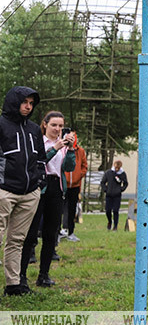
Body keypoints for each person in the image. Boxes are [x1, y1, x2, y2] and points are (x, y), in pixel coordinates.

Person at [21, 110, 76, 288]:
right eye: (54, 125)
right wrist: (56, 148)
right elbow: (40, 161)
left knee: (51, 234)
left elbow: (69, 167)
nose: (57, 129)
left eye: (60, 126)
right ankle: (20, 276)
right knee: (30, 234)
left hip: (56, 189)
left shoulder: (64, 144)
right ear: (44, 124)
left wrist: (70, 150)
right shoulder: (38, 142)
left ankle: (43, 275)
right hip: (39, 187)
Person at [0, 87, 46, 296]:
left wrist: (38, 181)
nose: (28, 106)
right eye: (24, 102)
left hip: (29, 194)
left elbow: (41, 159)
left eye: (31, 103)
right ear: (13, 102)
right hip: (4, 191)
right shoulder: (1, 125)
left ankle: (13, 285)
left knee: (17, 240)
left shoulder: (35, 129)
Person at [61, 139, 87, 241]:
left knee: (72, 210)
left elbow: (84, 166)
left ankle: (71, 232)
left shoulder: (80, 151)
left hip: (75, 186)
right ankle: (59, 231)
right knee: (59, 210)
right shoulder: (62, 148)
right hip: (63, 185)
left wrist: (79, 175)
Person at [100, 160, 128, 230]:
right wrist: (106, 190)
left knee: (115, 211)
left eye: (118, 168)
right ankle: (109, 221)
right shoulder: (108, 173)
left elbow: (125, 183)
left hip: (117, 195)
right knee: (108, 210)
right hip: (109, 195)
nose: (116, 169)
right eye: (116, 168)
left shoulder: (122, 174)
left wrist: (121, 189)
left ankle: (115, 226)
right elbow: (103, 182)